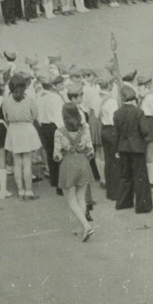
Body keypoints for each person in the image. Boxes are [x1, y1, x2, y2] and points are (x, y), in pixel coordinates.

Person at [54, 103, 96, 241]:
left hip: (68, 164)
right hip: (83, 162)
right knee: (81, 198)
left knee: (71, 199)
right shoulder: (84, 130)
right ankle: (80, 228)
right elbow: (90, 151)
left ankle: (86, 226)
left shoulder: (59, 132)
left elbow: (57, 155)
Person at [113, 84, 153, 214]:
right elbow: (146, 131)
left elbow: (116, 133)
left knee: (125, 175)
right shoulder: (138, 112)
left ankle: (124, 202)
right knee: (140, 176)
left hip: (123, 147)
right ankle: (142, 205)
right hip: (137, 147)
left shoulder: (117, 113)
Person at [3, 73, 41, 200]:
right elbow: (35, 115)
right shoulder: (29, 99)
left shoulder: (6, 101)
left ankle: (20, 190)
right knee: (27, 164)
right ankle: (29, 191)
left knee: (17, 164)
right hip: (27, 130)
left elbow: (6, 117)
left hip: (14, 131)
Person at [37, 74, 65, 193]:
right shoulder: (55, 98)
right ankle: (61, 185)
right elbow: (58, 117)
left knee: (50, 154)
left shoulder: (39, 96)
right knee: (59, 155)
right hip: (54, 126)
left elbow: (37, 115)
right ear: (52, 86)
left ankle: (54, 180)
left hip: (44, 126)